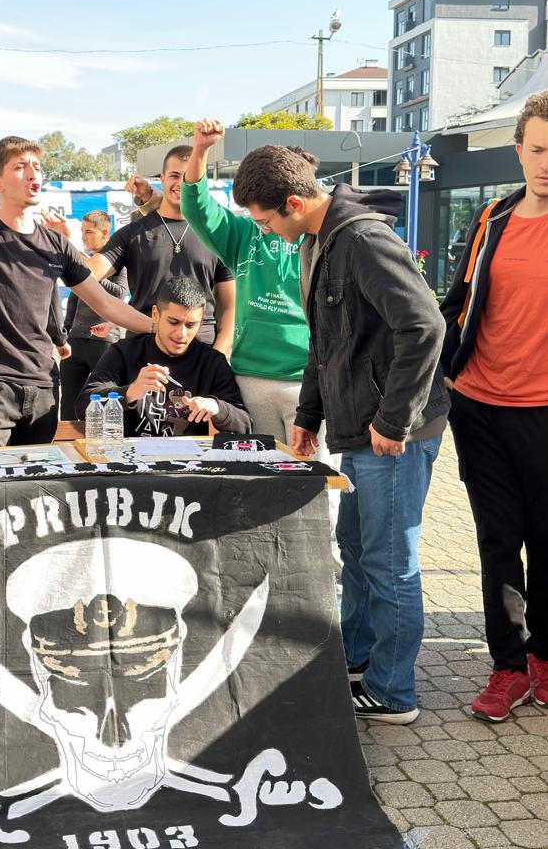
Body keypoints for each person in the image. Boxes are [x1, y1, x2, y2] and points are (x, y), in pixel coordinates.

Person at [233, 145, 448, 724]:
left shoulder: (363, 239)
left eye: (266, 221)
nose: (266, 232)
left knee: (388, 561)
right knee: (354, 548)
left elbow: (424, 325)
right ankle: (355, 659)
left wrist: (394, 420)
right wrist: (308, 415)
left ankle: (393, 691)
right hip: (363, 428)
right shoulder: (317, 241)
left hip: (393, 433)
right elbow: (325, 343)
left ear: (294, 202)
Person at [0, 84, 151, 448]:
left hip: (44, 387)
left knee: (37, 481)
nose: (33, 172)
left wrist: (159, 327)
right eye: (20, 167)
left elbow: (105, 303)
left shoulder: (56, 244)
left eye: (37, 166)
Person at [440, 89, 548, 722]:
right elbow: (458, 299)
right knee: (497, 540)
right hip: (479, 406)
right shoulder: (492, 218)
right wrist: (445, 372)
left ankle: (544, 656)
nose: (546, 163)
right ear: (518, 151)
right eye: (537, 150)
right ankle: (509, 665)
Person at [179, 119, 310, 437]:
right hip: (251, 377)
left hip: (308, 380)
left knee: (316, 469)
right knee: (258, 468)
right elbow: (196, 207)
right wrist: (201, 150)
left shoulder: (320, 236)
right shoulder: (245, 234)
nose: (265, 226)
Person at [86, 146, 235, 352]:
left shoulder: (216, 234)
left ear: (202, 182)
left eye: (190, 176)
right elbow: (88, 273)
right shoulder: (133, 234)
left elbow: (230, 307)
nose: (181, 183)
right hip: (143, 348)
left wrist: (218, 355)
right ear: (162, 179)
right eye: (175, 175)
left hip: (201, 350)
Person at [77, 273, 253, 438]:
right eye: (173, 322)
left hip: (188, 458)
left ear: (201, 323)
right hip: (132, 456)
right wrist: (130, 392)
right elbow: (84, 405)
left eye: (191, 325)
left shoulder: (211, 362)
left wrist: (217, 407)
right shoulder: (124, 352)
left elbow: (245, 424)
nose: (181, 334)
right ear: (156, 314)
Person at [59, 210, 128, 418]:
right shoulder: (85, 260)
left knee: (106, 399)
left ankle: (107, 435)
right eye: (82, 231)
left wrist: (91, 272)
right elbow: (74, 297)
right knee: (68, 402)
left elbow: (120, 293)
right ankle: (67, 437)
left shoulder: (119, 261)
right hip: (76, 340)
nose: (83, 237)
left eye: (89, 232)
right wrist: (66, 332)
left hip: (105, 342)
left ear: (104, 233)